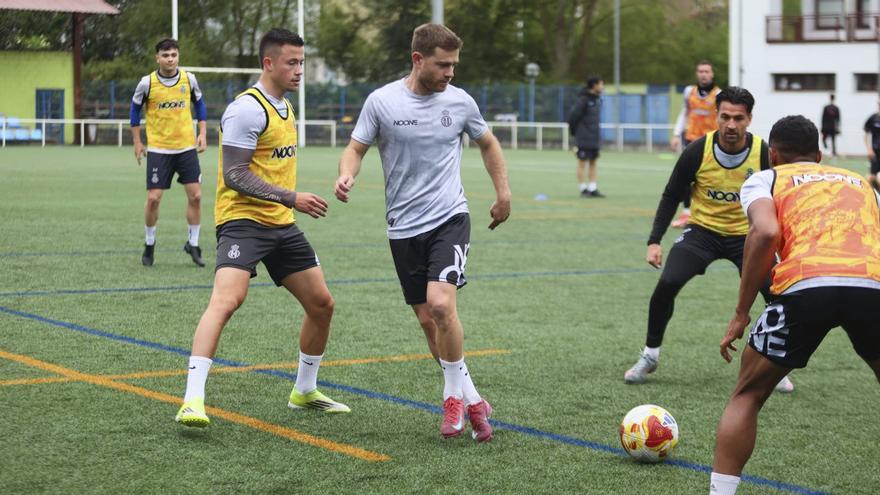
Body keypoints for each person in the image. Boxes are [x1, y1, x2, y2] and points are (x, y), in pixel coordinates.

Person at [334, 23, 511, 442]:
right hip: (402, 227)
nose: (450, 72)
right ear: (418, 59)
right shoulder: (382, 102)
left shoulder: (461, 102)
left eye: (454, 65)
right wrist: (346, 174)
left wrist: (503, 194)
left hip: (450, 217)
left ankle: (451, 398)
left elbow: (488, 143)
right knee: (429, 321)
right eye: (443, 64)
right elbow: (356, 147)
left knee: (441, 305)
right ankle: (472, 399)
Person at [175, 28, 349, 428]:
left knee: (322, 305)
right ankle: (192, 400)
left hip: (282, 226)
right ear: (268, 63)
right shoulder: (247, 109)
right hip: (243, 222)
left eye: (302, 62)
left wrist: (287, 206)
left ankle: (304, 391)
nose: (300, 70)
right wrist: (292, 197)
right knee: (227, 300)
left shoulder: (285, 107)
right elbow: (235, 175)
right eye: (292, 62)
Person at [709, 115, 880, 495]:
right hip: (871, 284)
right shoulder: (862, 184)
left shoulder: (767, 178)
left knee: (747, 394)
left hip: (806, 285)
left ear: (772, 155)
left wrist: (741, 313)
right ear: (819, 154)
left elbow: (766, 231)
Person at [623, 87, 794, 393]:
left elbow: (782, 199)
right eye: (725, 117)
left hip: (747, 237)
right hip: (702, 233)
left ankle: (773, 366)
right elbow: (671, 194)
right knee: (668, 283)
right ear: (716, 116)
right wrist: (654, 240)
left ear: (749, 119)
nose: (731, 125)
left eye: (738, 118)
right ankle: (650, 355)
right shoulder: (697, 151)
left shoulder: (763, 153)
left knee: (775, 294)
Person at [131, 38, 208, 267]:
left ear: (178, 56)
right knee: (154, 199)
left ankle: (193, 244)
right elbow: (134, 111)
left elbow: (200, 105)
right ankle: (149, 243)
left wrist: (202, 133)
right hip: (159, 149)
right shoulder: (147, 83)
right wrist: (137, 142)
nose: (170, 59)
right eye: (165, 55)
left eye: (174, 55)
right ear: (157, 58)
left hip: (186, 148)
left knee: (196, 196)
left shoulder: (188, 79)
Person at [670, 61, 721, 228]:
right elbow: (685, 113)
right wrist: (677, 134)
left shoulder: (718, 94)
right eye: (700, 71)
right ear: (697, 73)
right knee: (686, 176)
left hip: (709, 141)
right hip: (691, 139)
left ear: (712, 74)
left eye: (707, 71)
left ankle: (710, 213)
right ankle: (686, 213)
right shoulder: (688, 92)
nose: (703, 74)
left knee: (709, 177)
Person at [567, 76, 605, 197]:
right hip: (583, 138)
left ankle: (593, 188)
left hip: (594, 138)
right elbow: (573, 117)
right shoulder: (583, 100)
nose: (602, 87)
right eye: (601, 84)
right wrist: (574, 133)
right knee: (582, 163)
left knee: (593, 162)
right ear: (594, 85)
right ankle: (583, 189)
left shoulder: (598, 99)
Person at [863, 100, 880, 191]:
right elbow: (866, 135)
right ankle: (868, 195)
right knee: (871, 177)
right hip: (875, 152)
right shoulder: (873, 118)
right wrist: (869, 149)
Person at [820, 93, 840, 159]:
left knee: (828, 140)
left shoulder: (834, 108)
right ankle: (831, 152)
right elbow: (838, 119)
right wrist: (838, 127)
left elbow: (823, 118)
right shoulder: (833, 108)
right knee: (832, 140)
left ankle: (832, 153)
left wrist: (822, 127)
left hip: (828, 127)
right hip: (832, 127)